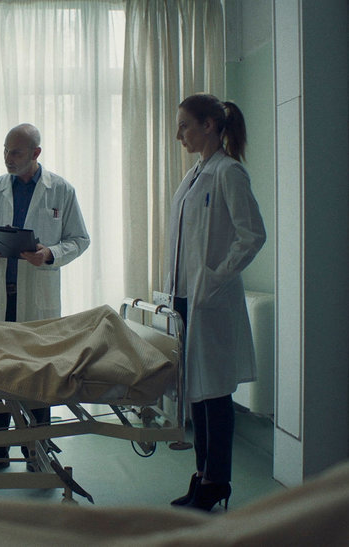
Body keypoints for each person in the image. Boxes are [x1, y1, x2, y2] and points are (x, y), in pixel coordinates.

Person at [0, 123, 90, 471]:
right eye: (6, 150)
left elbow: (79, 239)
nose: (8, 157)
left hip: (37, 298)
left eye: (16, 152)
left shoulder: (60, 190)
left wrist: (50, 253)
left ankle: (37, 455)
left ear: (36, 153)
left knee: (38, 376)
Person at [165, 94, 266, 511]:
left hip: (210, 300)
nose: (179, 135)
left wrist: (214, 277)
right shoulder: (195, 174)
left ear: (209, 126)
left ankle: (216, 481)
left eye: (184, 125)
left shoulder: (229, 172)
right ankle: (202, 475)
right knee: (197, 394)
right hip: (186, 299)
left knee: (215, 396)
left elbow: (252, 235)